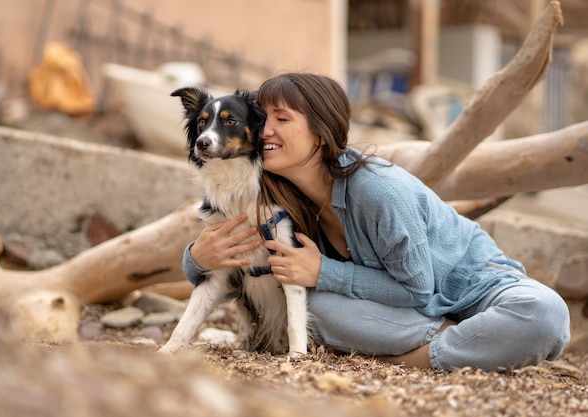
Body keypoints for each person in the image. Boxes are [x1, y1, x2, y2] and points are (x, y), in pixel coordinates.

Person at [181, 72, 570, 371]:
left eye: (282, 119)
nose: (265, 131)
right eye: (265, 119)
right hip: (403, 314)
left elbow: (418, 291)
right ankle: (469, 345)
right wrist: (196, 259)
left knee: (545, 315)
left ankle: (410, 359)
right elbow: (228, 254)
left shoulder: (377, 189)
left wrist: (323, 270)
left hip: (473, 292)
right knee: (320, 308)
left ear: (320, 132)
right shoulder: (271, 187)